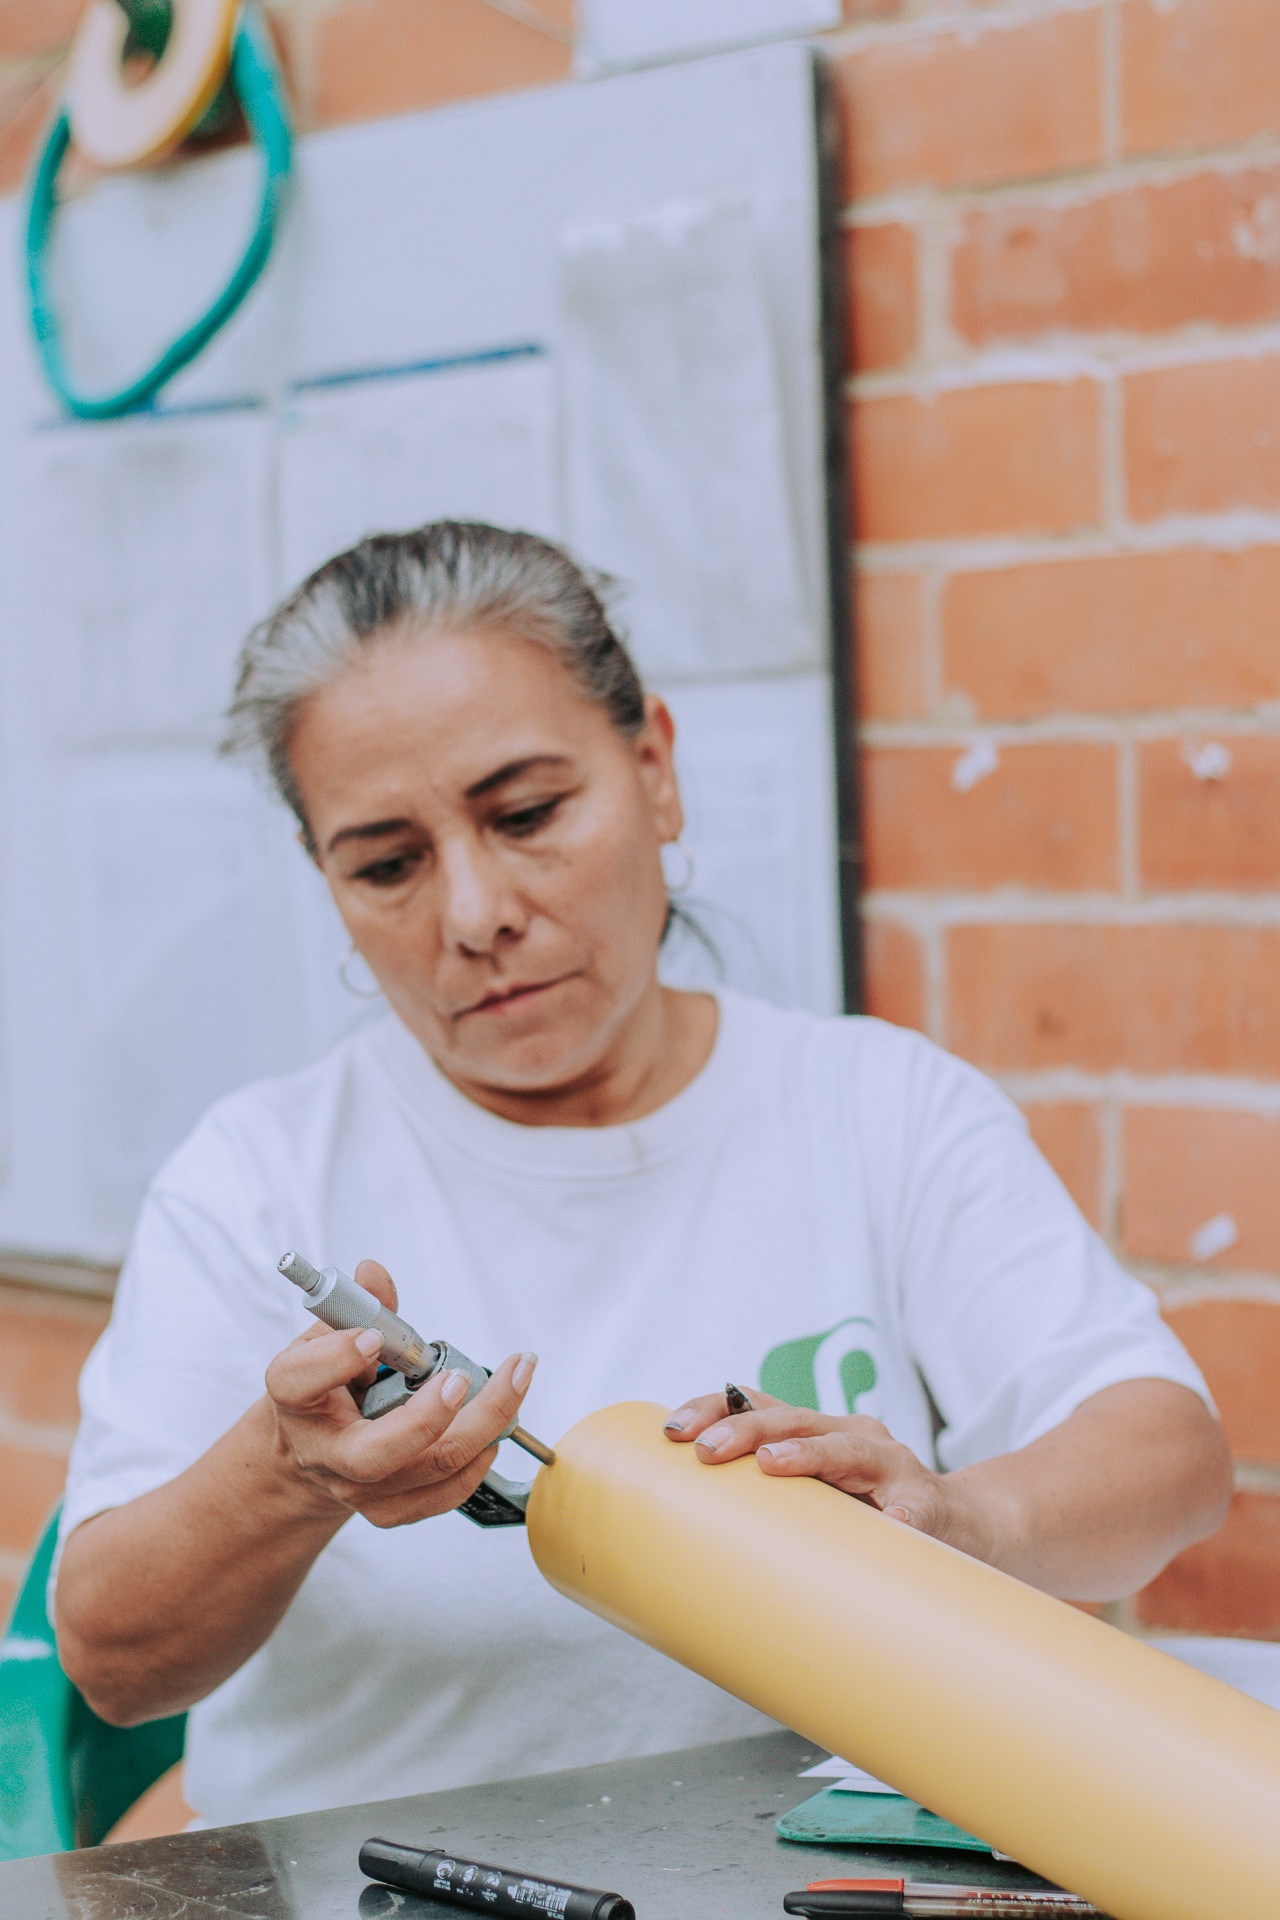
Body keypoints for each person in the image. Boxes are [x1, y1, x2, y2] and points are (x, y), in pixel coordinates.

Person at [53, 523, 1230, 1828]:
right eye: (387, 864)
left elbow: (1169, 1457)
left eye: (530, 814)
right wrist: (288, 1479)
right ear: (325, 880)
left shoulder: (876, 1109)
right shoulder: (257, 1177)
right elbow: (112, 1664)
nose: (474, 913)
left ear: (655, 770)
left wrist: (961, 1518)